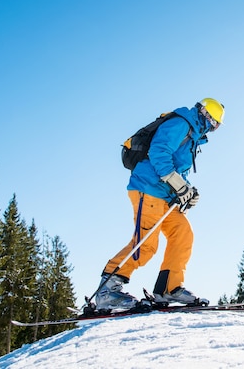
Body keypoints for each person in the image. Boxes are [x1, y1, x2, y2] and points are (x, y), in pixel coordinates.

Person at [94, 98, 224, 312]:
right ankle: (108, 290)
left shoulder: (192, 137)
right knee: (145, 245)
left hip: (163, 196)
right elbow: (159, 152)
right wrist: (178, 184)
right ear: (206, 116)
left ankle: (169, 288)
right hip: (148, 188)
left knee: (183, 233)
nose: (214, 129)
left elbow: (177, 169)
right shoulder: (181, 123)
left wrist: (187, 190)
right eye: (214, 124)